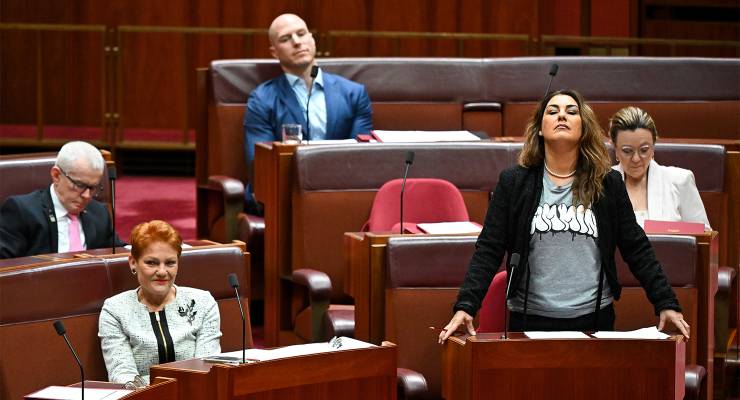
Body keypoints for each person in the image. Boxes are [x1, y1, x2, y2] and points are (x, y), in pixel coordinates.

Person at [439, 90, 690, 342]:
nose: (562, 115)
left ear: (584, 129)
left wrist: (665, 302)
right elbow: (489, 249)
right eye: (552, 111)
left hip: (594, 320)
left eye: (571, 112)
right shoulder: (514, 182)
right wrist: (466, 306)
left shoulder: (607, 183)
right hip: (529, 320)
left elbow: (636, 248)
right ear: (539, 128)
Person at [242, 13, 373, 213]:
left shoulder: (353, 94)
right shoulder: (262, 99)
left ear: (312, 39)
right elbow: (260, 164)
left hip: (338, 192)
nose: (297, 42)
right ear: (274, 52)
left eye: (301, 34)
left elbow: (360, 158)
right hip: (283, 195)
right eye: (286, 39)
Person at [98, 220, 222, 385]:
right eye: (151, 263)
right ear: (133, 262)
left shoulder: (202, 303)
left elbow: (207, 368)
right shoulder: (115, 310)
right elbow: (123, 376)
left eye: (170, 263)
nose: (162, 272)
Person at [0, 141, 124, 258]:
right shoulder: (22, 211)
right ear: (56, 176)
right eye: (79, 185)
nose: (87, 195)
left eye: (93, 187)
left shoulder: (99, 213)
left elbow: (118, 252)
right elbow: (5, 266)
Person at [609, 106, 711, 230]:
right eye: (627, 151)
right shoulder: (599, 183)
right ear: (615, 150)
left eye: (644, 150)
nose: (636, 158)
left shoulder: (681, 181)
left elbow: (703, 237)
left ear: (653, 148)